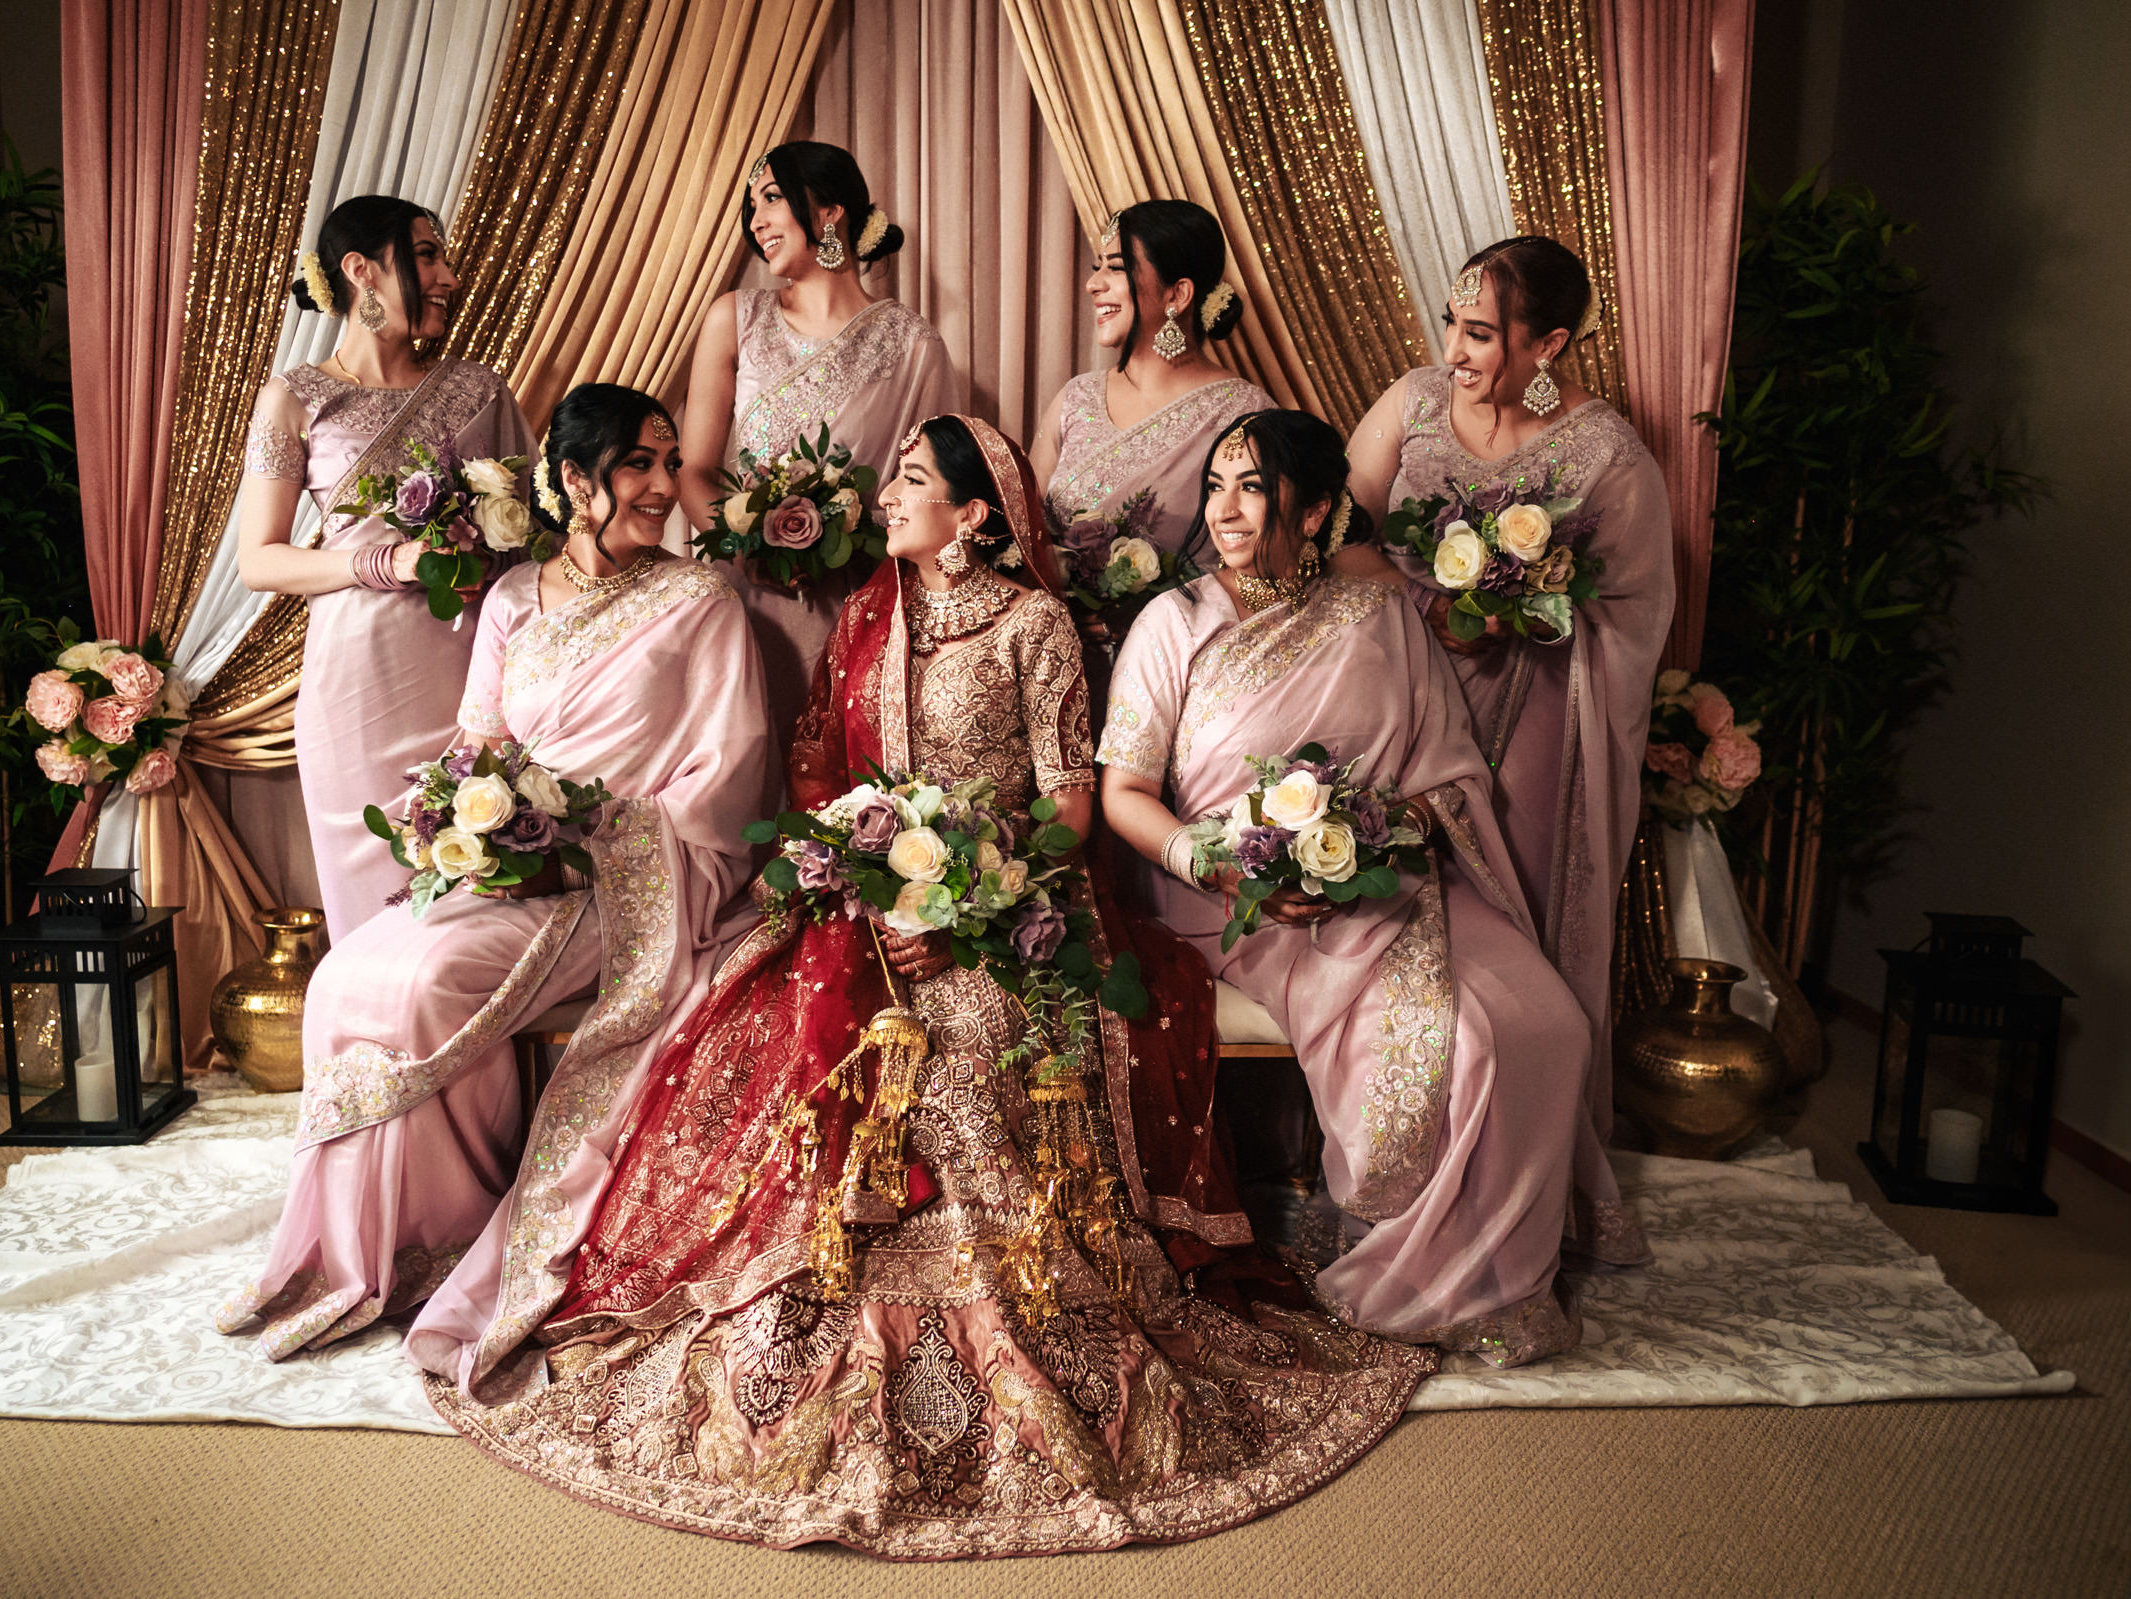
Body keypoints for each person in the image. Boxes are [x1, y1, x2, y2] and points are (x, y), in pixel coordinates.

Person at [418, 415, 1435, 1559]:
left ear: (977, 515)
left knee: (974, 1033)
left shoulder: (1035, 623)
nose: (886, 496)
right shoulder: (867, 614)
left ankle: (999, 1310)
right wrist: (854, 873)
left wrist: (973, 903)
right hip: (863, 908)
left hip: (1011, 915)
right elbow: (825, 779)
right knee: (771, 1030)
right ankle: (797, 1294)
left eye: (910, 481)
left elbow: (1069, 806)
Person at [217, 384, 771, 1361]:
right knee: (347, 976)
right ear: (571, 479)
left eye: (668, 460)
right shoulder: (514, 597)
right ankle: (349, 1254)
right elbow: (477, 745)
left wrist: (593, 838)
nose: (660, 485)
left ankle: (442, 1239)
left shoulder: (701, 600)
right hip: (510, 865)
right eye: (637, 463)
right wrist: (464, 828)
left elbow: (728, 773)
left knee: (430, 984)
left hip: (629, 882)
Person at [1100, 409, 1607, 1366]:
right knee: (1454, 1038)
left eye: (1253, 487)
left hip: (1389, 881)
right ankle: (1416, 1262)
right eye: (1217, 485)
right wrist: (1220, 862)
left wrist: (1371, 838)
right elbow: (1125, 792)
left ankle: (1494, 1275)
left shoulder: (1376, 617)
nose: (1226, 510)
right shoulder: (1174, 621)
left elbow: (1447, 776)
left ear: (1319, 506)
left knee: (1546, 1026)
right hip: (1228, 900)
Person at [1344, 237, 1670, 1265]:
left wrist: (1519, 611)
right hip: (1399, 704)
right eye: (1450, 322)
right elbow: (1336, 531)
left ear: (1551, 345)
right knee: (1395, 923)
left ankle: (1514, 1189)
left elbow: (1636, 606)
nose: (1453, 349)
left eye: (1480, 333)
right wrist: (1421, 597)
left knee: (1508, 939)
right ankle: (1398, 1174)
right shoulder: (1411, 405)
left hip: (1536, 724)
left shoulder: (1605, 454)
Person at [236, 196, 536, 943]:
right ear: (361, 271)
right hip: (357, 689)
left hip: (475, 674)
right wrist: (387, 559)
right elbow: (259, 559)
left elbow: (534, 540)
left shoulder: (479, 390)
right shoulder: (296, 399)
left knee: (479, 900)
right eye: (428, 256)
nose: (449, 277)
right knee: (379, 929)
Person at [679, 142, 958, 763]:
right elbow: (693, 469)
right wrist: (746, 549)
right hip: (738, 598)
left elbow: (934, 495)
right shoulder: (735, 318)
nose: (755, 222)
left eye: (772, 199)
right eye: (751, 206)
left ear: (830, 213)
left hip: (857, 602)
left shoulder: (914, 347)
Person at [1029, 200, 1271, 610]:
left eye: (1117, 268)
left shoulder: (1241, 416)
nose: (1093, 285)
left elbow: (1261, 569)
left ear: (1177, 294)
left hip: (1174, 655)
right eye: (1097, 268)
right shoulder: (1076, 398)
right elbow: (1022, 533)